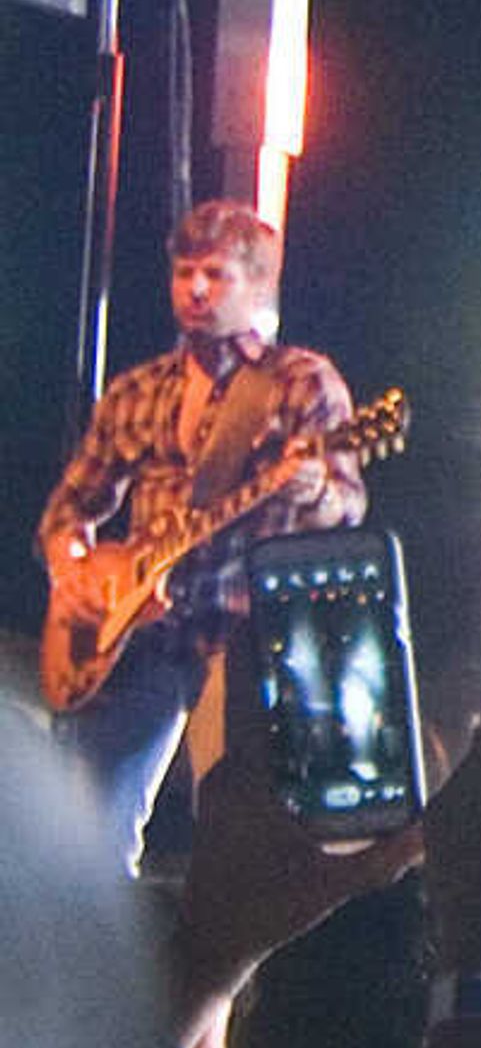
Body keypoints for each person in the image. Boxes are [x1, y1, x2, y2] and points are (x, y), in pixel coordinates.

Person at [35, 202, 367, 864]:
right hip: (144, 634)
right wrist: (74, 575)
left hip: (245, 634)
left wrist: (315, 490)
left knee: (235, 835)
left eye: (215, 274)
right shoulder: (139, 392)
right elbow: (69, 510)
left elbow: (348, 506)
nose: (194, 289)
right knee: (88, 835)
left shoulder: (299, 383)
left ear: (257, 285)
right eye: (185, 273)